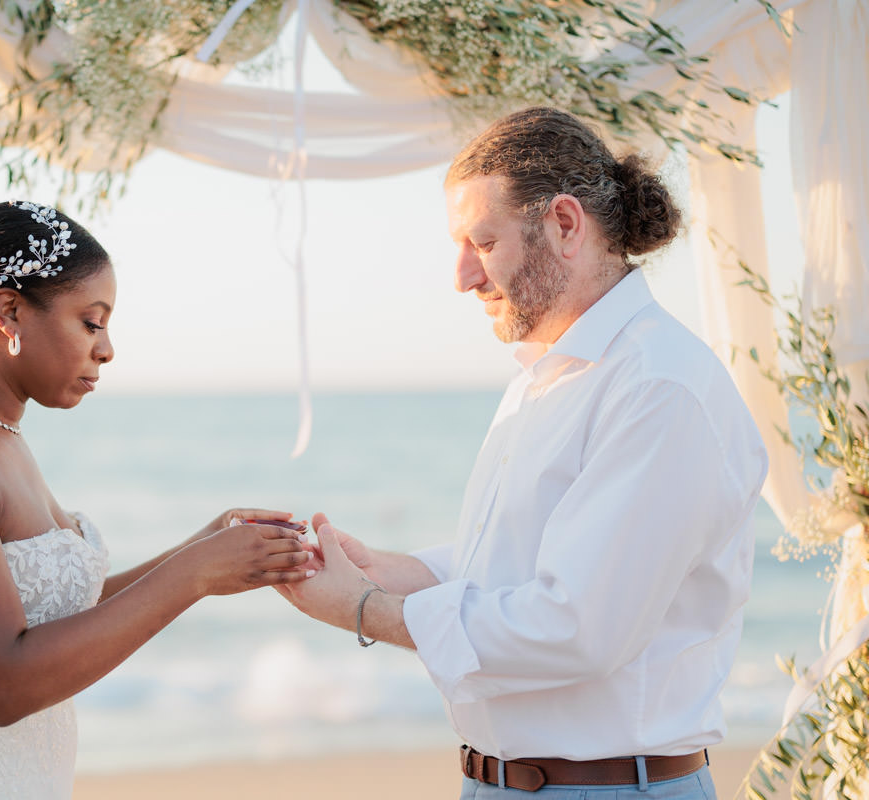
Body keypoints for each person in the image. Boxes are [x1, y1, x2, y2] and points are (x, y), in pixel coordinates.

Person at [278, 107, 768, 799]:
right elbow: (519, 566)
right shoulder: (545, 377)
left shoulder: (659, 386)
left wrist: (365, 609)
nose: (461, 276)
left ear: (565, 224)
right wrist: (387, 570)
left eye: (482, 240)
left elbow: (577, 626)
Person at [0, 200, 314, 798]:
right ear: (9, 311)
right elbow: (1, 685)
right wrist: (195, 575)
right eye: (91, 322)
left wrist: (205, 544)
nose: (107, 349)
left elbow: (54, 619)